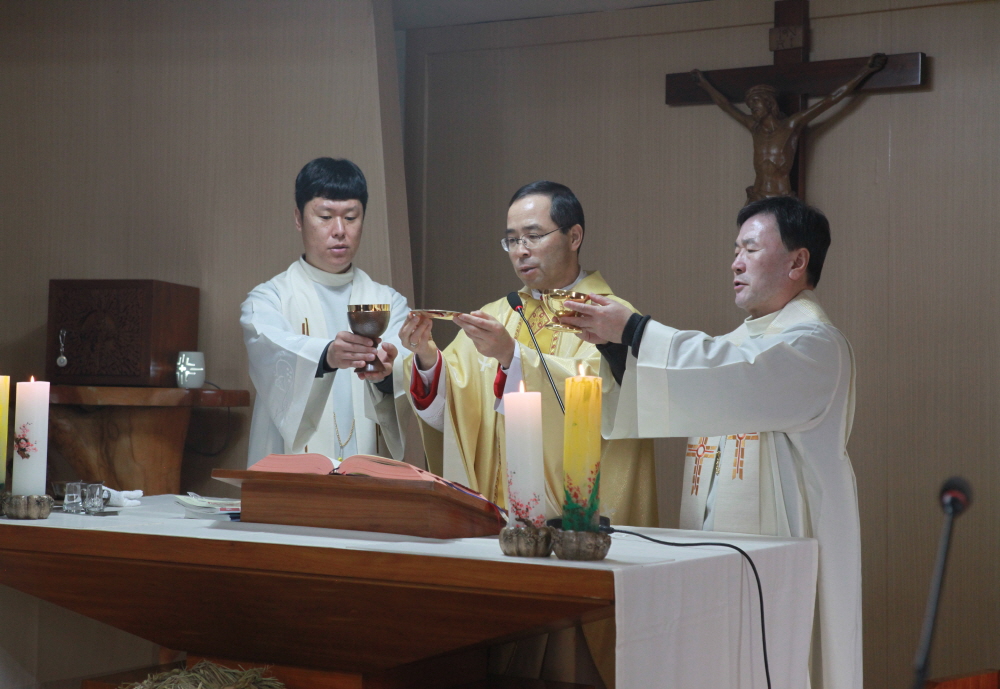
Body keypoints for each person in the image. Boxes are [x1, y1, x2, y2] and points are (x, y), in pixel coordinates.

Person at [562, 195, 860, 689]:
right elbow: (701, 379)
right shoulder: (739, 346)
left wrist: (635, 330)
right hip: (721, 564)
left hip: (786, 561)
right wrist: (617, 348)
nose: (735, 262)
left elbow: (737, 377)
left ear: (797, 261)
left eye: (750, 249)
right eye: (735, 250)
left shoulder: (816, 345)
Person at [398, 181, 657, 528]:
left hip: (573, 523)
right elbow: (454, 406)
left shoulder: (613, 318)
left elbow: (609, 400)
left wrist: (513, 357)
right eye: (512, 240)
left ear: (574, 237)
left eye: (533, 236)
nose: (520, 251)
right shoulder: (499, 314)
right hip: (497, 521)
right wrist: (427, 358)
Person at [241, 157, 411, 466]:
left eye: (351, 217)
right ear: (299, 218)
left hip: (365, 472)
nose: (339, 230)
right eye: (325, 216)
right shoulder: (268, 300)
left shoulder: (388, 302)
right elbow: (270, 351)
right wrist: (326, 356)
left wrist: (387, 374)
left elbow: (406, 369)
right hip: (292, 477)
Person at [692, 52, 887, 203]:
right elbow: (726, 105)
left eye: (756, 104)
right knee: (747, 239)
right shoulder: (754, 127)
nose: (752, 109)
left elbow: (831, 99)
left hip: (781, 197)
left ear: (769, 103)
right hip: (756, 196)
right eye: (750, 106)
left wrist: (865, 71)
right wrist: (704, 84)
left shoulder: (791, 125)